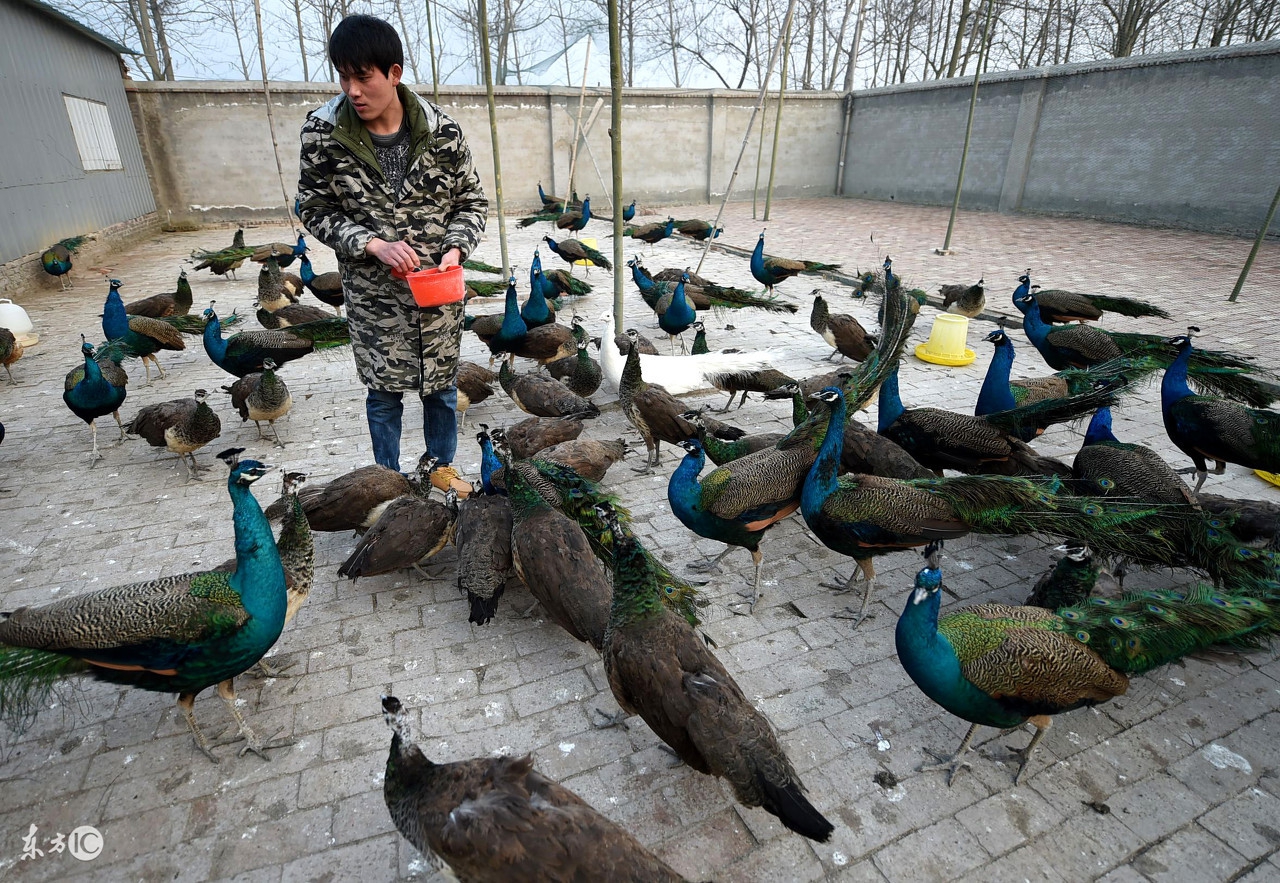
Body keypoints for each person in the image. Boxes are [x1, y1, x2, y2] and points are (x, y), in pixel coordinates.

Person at [296, 14, 487, 489]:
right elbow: (313, 207)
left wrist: (456, 249)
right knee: (383, 395)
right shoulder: (324, 135)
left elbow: (471, 201)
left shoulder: (443, 134)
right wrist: (371, 244)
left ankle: (441, 480)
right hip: (373, 296)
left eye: (364, 77)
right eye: (344, 77)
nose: (353, 90)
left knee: (441, 392)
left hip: (437, 293)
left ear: (394, 73)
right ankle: (387, 485)